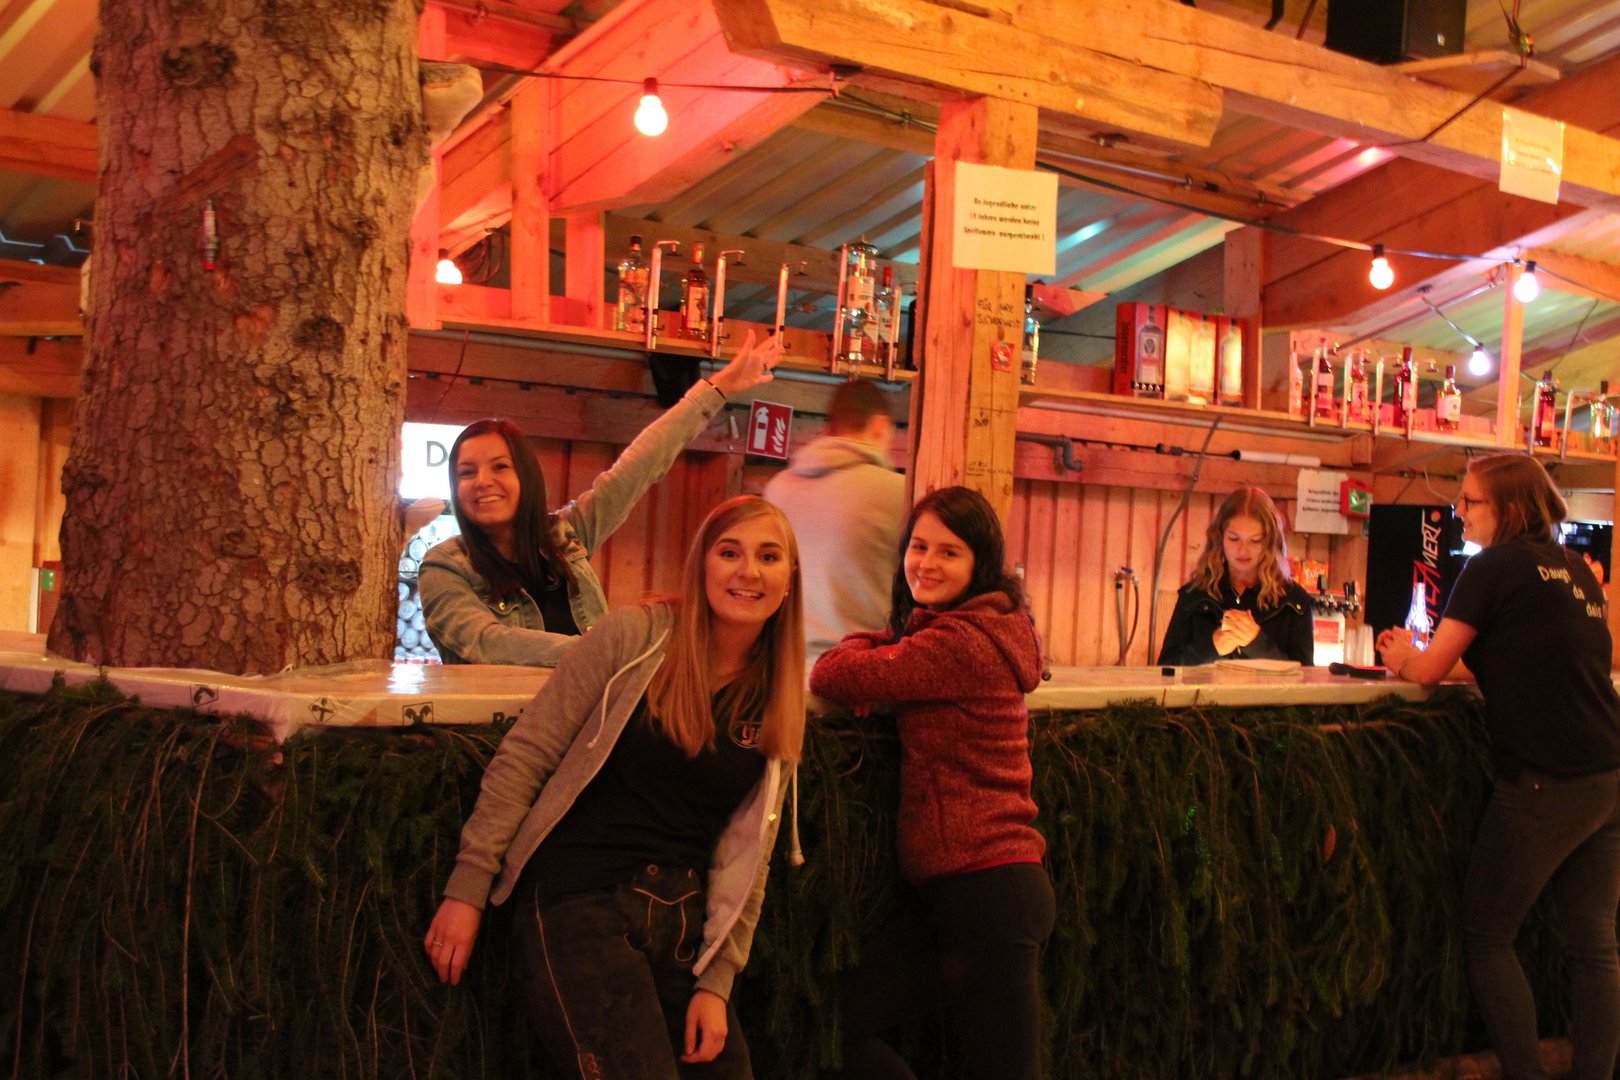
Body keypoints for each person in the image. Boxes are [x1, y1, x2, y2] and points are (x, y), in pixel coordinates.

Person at [424, 495, 806, 1078]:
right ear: (701, 564)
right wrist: (467, 890)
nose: (748, 571)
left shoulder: (778, 693)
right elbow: (527, 755)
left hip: (682, 922)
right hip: (579, 897)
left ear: (789, 579)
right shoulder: (636, 635)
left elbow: (749, 853)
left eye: (769, 557)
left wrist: (717, 980)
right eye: (729, 552)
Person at [1377, 454, 1620, 1080]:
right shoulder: (1576, 569)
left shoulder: (1491, 568)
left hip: (1544, 780)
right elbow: (1522, 658)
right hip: (1608, 776)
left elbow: (1431, 671)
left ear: (1508, 508)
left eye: (1469, 500)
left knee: (1486, 938)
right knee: (1595, 948)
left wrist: (1403, 656)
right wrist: (1425, 658)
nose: (1458, 512)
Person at [809, 486, 1054, 1080]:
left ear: (980, 565)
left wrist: (876, 655)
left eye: (949, 552)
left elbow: (832, 673)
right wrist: (891, 656)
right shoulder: (972, 632)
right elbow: (876, 667)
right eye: (918, 546)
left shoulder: (959, 644)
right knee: (837, 1024)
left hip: (988, 893)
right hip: (973, 893)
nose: (926, 563)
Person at [421, 330, 784, 665]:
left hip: (590, 708)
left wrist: (718, 387)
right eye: (466, 473)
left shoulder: (564, 536)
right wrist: (609, 650)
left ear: (526, 477)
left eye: (500, 467)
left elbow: (640, 465)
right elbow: (485, 643)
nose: (482, 481)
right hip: (498, 715)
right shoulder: (445, 566)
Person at [763, 379, 906, 657]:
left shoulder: (776, 489)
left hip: (785, 666)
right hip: (861, 669)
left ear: (829, 429)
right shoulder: (899, 493)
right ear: (880, 425)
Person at [1156, 485, 1315, 666]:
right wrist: (1211, 648)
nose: (1243, 550)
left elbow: (1305, 677)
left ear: (1270, 542)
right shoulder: (1194, 595)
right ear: (1220, 537)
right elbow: (1165, 670)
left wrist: (1257, 644)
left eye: (1255, 541)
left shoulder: (1295, 602)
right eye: (1234, 538)